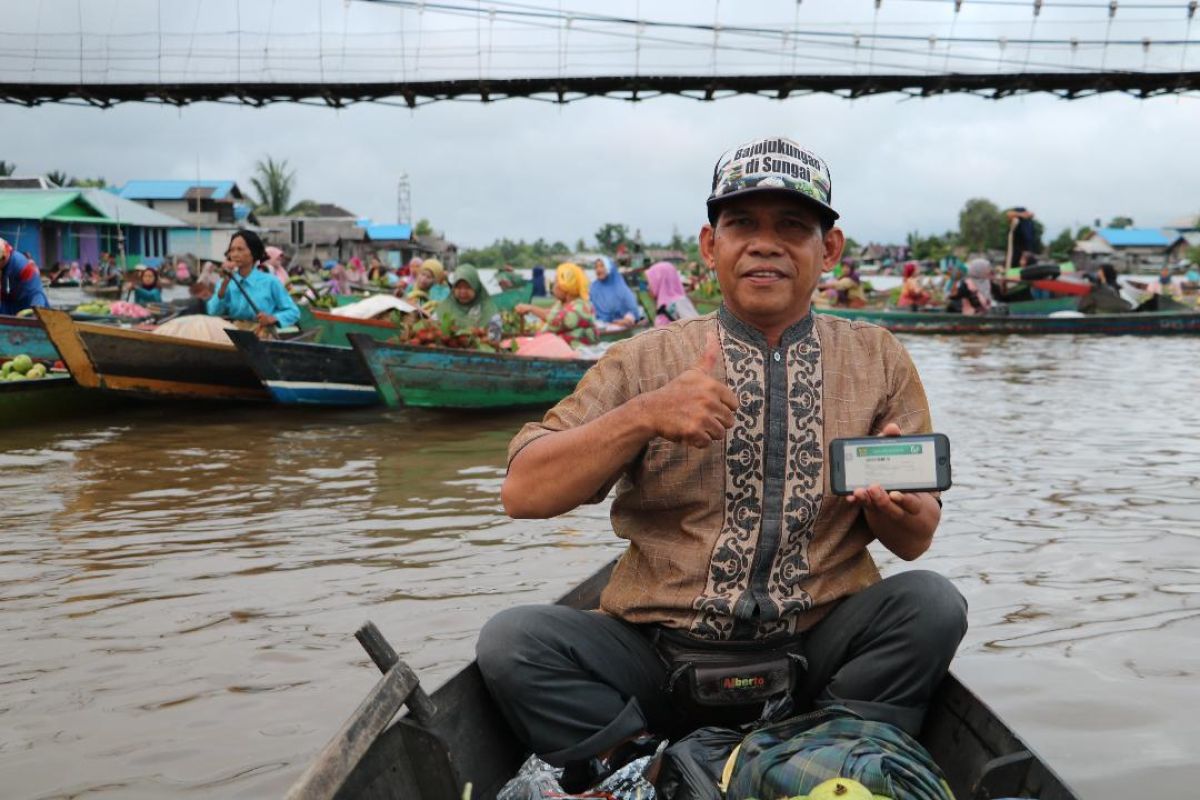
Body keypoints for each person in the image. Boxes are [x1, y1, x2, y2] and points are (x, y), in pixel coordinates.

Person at [478, 136, 966, 791]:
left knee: (932, 604)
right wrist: (645, 415)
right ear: (711, 246)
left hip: (817, 649)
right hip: (658, 655)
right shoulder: (642, 361)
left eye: (792, 226)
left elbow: (916, 540)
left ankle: (828, 753)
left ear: (830, 250)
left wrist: (897, 511)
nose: (765, 244)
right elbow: (523, 492)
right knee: (514, 642)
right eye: (743, 225)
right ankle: (648, 764)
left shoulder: (878, 359)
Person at [207, 229, 300, 330]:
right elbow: (212, 312)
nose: (235, 254)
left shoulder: (270, 282)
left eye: (240, 249)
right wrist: (223, 287)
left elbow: (293, 312)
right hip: (233, 336)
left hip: (262, 336)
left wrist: (272, 319)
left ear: (253, 252)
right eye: (232, 250)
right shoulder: (224, 283)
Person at [514, 262, 600, 347]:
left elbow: (557, 320)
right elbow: (551, 313)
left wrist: (530, 308)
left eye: (556, 282)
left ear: (566, 286)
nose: (553, 287)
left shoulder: (580, 307)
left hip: (577, 353)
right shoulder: (562, 303)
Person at [436, 264, 502, 338]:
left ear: (476, 287)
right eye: (458, 287)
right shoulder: (445, 307)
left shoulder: (489, 312)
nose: (463, 292)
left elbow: (494, 339)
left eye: (468, 287)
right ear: (453, 288)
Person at [0, 237, 50, 315]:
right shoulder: (4, 266)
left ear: (4, 257)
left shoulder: (23, 267)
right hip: (9, 305)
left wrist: (37, 313)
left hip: (27, 306)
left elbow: (36, 293)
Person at [589, 256, 642, 329]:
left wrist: (624, 320)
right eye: (596, 267)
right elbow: (589, 307)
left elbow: (632, 310)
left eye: (601, 266)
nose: (598, 269)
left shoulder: (620, 288)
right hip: (600, 323)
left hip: (619, 324)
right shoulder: (594, 287)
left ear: (609, 268)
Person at [646, 260, 699, 326]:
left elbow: (696, 327)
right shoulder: (663, 306)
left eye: (651, 282)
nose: (648, 287)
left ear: (661, 281)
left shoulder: (678, 302)